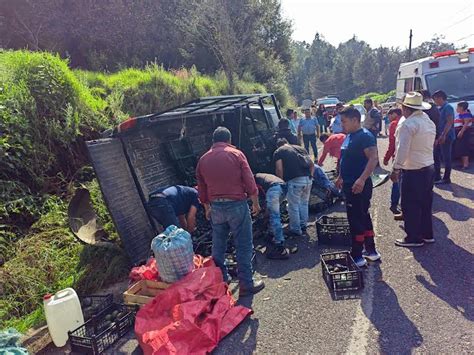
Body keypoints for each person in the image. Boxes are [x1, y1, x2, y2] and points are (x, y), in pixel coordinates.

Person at [196, 127, 264, 296]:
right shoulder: (236, 154)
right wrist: (255, 203)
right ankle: (246, 284)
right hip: (236, 205)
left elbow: (201, 188)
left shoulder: (203, 160)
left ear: (213, 140)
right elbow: (249, 181)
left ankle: (221, 280)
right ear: (229, 140)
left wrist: (206, 208)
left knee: (218, 245)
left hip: (216, 208)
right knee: (243, 244)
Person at [390, 92, 436, 247]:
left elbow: (402, 149)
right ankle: (427, 234)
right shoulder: (427, 120)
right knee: (425, 203)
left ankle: (414, 237)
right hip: (429, 166)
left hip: (414, 169)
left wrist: (396, 168)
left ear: (405, 108)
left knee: (410, 205)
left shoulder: (408, 124)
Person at [335, 106, 379, 267]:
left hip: (358, 185)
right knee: (363, 215)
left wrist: (361, 180)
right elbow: (345, 157)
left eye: (344, 121)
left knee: (355, 219)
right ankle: (371, 250)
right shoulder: (350, 136)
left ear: (355, 120)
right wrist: (340, 176)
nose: (342, 125)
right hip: (348, 183)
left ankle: (357, 255)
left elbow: (373, 159)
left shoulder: (365, 136)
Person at [273, 138, 313, 237]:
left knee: (293, 206)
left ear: (278, 145)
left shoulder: (279, 151)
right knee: (304, 203)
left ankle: (296, 229)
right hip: (308, 179)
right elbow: (312, 164)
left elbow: (279, 169)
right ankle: (303, 225)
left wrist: (281, 183)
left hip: (295, 181)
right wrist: (311, 176)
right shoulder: (300, 148)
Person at [254, 173, 289, 259]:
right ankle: (271, 234)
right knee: (274, 215)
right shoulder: (260, 177)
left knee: (274, 217)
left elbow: (255, 194)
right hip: (283, 187)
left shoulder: (252, 179)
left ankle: (280, 248)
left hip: (274, 188)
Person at [432, 90, 455, 184]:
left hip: (446, 136)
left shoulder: (448, 107)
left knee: (446, 158)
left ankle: (446, 178)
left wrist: (443, 135)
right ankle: (438, 176)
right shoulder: (441, 108)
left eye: (435, 99)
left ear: (440, 98)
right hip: (441, 136)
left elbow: (449, 122)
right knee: (437, 156)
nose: (435, 101)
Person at [383, 108, 403, 214]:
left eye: (389, 116)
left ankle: (394, 204)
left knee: (396, 180)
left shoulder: (394, 124)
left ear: (394, 114)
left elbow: (392, 145)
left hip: (399, 157)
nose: (389, 118)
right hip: (412, 159)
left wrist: (386, 158)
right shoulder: (408, 121)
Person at [454, 101, 472, 170]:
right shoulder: (460, 114)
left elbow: (466, 124)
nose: (456, 108)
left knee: (464, 148)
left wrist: (461, 132)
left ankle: (465, 164)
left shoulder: (466, 114)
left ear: (461, 108)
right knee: (460, 148)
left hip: (463, 133)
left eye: (458, 107)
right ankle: (462, 163)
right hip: (458, 131)